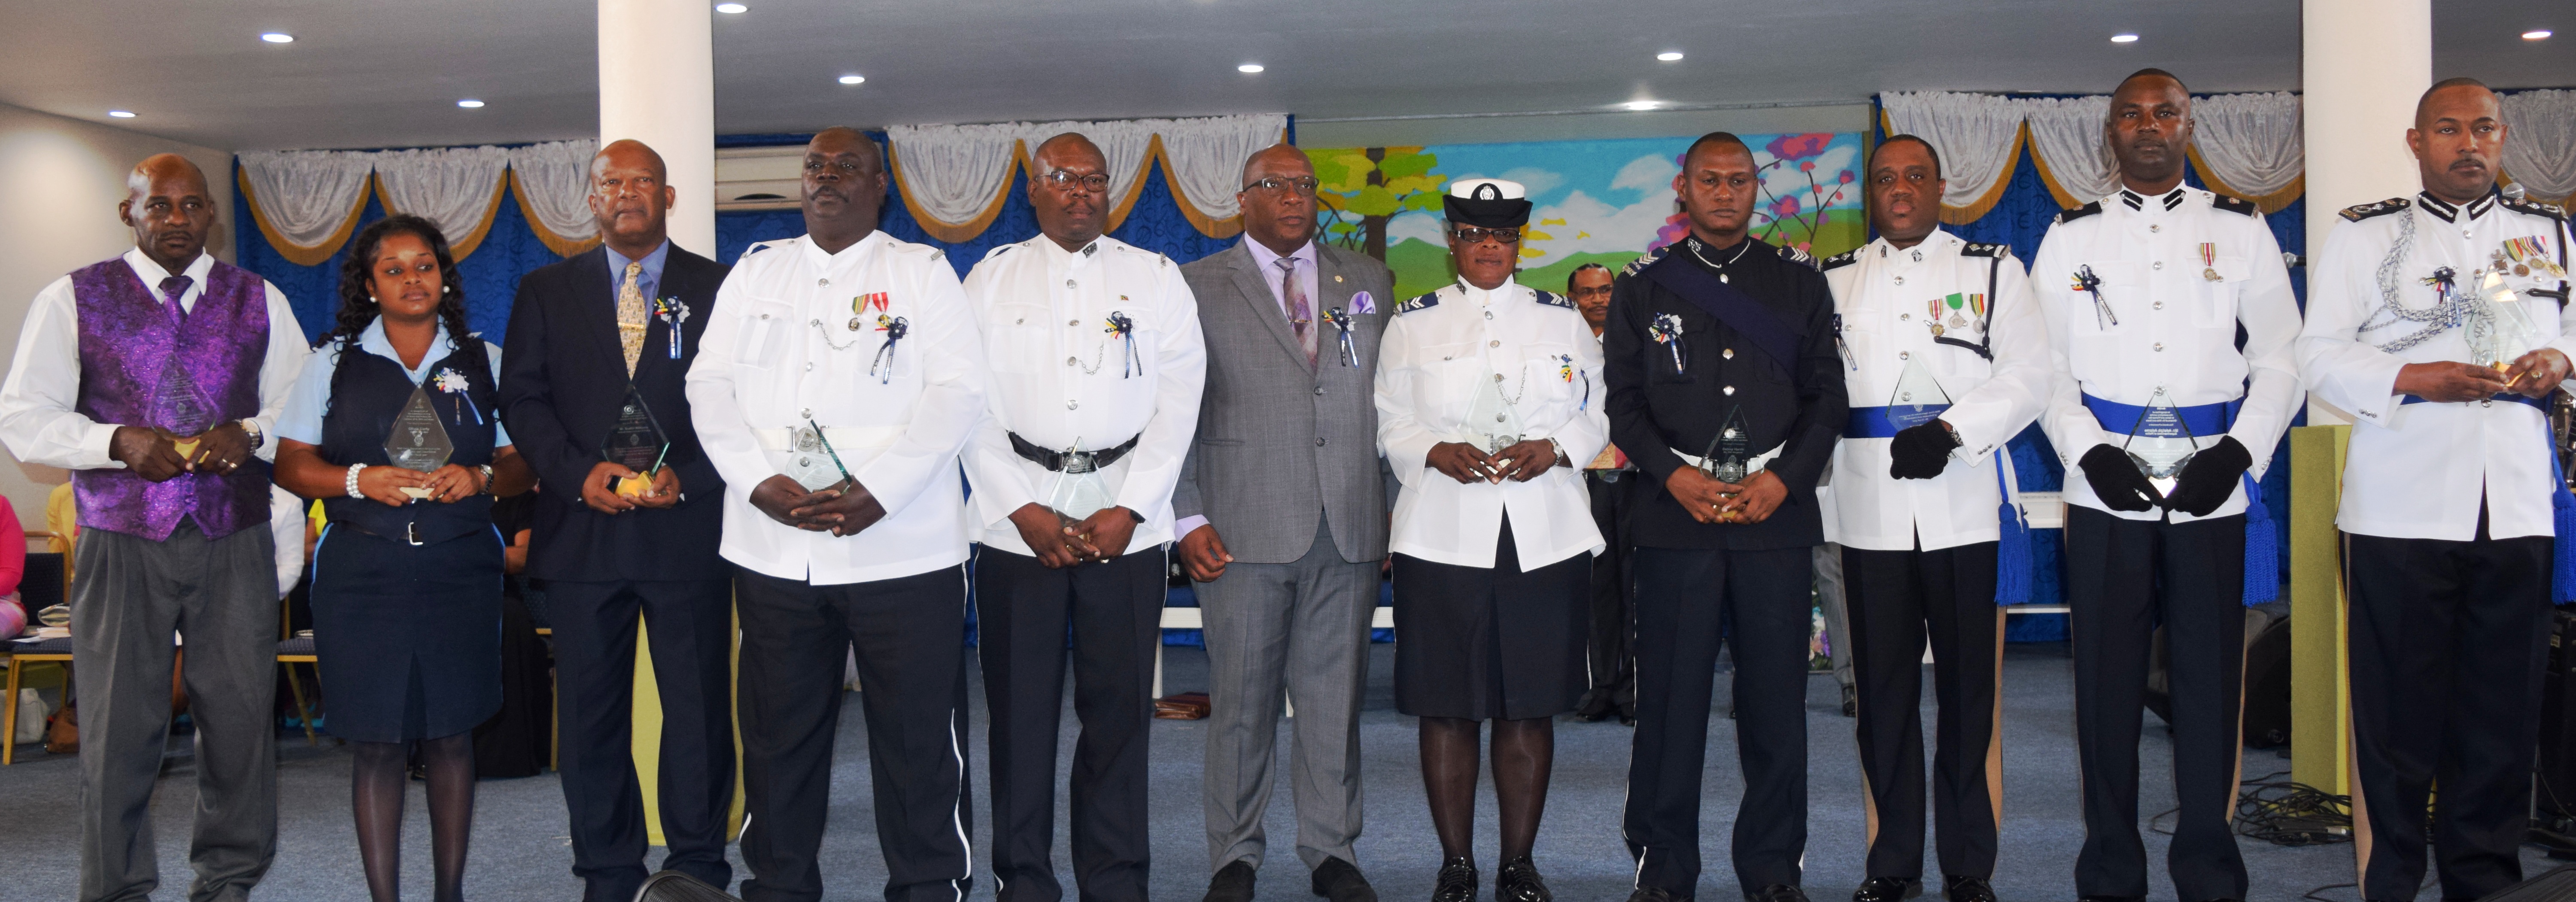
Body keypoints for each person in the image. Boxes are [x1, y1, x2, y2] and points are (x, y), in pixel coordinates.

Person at [685, 127, 984, 902]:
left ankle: (928, 888)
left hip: (904, 550)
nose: (827, 178)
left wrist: (881, 488)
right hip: (777, 552)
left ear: (879, 185)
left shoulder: (922, 273)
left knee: (919, 744)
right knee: (779, 740)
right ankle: (779, 889)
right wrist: (758, 482)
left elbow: (958, 392)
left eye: (847, 168)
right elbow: (708, 387)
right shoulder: (757, 274)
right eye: (816, 167)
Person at [0, 153, 308, 902]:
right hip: (121, 537)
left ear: (212, 216)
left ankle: (229, 879)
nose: (177, 220)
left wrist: (254, 432)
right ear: (128, 213)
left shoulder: (259, 296)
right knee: (117, 726)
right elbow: (23, 418)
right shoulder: (72, 298)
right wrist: (112, 442)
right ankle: (115, 887)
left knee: (238, 719)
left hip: (233, 534)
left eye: (192, 206)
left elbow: (302, 406)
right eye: (159, 206)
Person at [2299, 77, 2575, 902]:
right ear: (2417, 143)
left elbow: (2573, 337)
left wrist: (2561, 364)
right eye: (2449, 130)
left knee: (2500, 717)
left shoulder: (2550, 234)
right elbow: (2318, 355)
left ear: (2504, 137)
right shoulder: (2366, 236)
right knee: (2396, 722)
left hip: (2517, 505)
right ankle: (2390, 880)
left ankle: (2483, 883)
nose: (2470, 145)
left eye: (2484, 129)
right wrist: (2413, 376)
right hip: (2399, 509)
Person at [2029, 68, 2300, 902]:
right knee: (2105, 686)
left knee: (2210, 682)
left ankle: (2210, 864)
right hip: (2105, 488)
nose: (2149, 126)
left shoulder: (2244, 230)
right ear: (2109, 132)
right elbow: (2044, 368)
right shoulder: (2070, 240)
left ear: (2189, 127)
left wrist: (2242, 453)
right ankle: (2110, 865)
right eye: (2132, 115)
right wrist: (2087, 452)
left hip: (2211, 486)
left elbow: (2283, 357)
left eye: (2166, 113)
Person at [960, 132, 1207, 902]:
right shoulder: (991, 279)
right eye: (1063, 178)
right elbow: (965, 403)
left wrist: (1133, 506)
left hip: (1125, 523)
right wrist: (1022, 507)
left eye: (1095, 179)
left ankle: (1114, 878)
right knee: (1020, 717)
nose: (1081, 192)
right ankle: (1024, 879)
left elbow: (1180, 401)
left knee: (1120, 717)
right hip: (1015, 527)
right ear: (1032, 190)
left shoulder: (1156, 279)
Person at [1603, 132, 1847, 902]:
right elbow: (1624, 402)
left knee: (1776, 703)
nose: (1724, 192)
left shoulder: (1798, 284)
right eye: (1710, 180)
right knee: (1671, 705)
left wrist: (1787, 480)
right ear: (1685, 189)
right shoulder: (1644, 288)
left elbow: (1827, 396)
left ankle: (1774, 870)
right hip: (1678, 519)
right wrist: (1672, 476)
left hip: (1774, 516)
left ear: (1755, 189)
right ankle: (1664, 868)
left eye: (1739, 180)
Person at [270, 214, 535, 902]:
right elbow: (292, 465)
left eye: (425, 265)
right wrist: (360, 479)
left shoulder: (487, 359)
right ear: (370, 283)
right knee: (378, 743)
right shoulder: (331, 362)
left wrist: (481, 478)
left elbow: (523, 463)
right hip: (363, 575)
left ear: (444, 276)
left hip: (460, 571)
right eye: (394, 268)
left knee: (452, 737)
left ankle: (451, 893)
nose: (412, 279)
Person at [498, 137, 736, 902]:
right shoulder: (545, 289)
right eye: (611, 182)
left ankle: (696, 868)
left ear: (669, 197)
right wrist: (576, 474)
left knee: (696, 714)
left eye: (643, 182)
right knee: (592, 718)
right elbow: (523, 400)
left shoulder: (720, 286)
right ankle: (607, 871)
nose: (627, 192)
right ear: (591, 198)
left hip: (688, 530)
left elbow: (740, 403)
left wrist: (689, 479)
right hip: (581, 532)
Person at [1817, 135, 2050, 902]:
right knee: (1881, 696)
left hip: (1963, 505)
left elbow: (2030, 376)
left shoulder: (1993, 268)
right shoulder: (1834, 281)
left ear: (1941, 186)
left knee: (1966, 696)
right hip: (1870, 511)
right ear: (1870, 194)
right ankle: (1892, 862)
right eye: (1886, 179)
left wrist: (1952, 430)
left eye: (1915, 176)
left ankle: (1967, 864)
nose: (1901, 190)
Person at [1176, 143, 1397, 902]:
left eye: (1304, 186)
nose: (1295, 198)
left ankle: (1331, 849)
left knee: (1335, 702)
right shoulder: (1198, 286)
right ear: (1243, 199)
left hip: (1351, 525)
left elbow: (1392, 404)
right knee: (1242, 701)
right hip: (1241, 528)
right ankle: (1233, 855)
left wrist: (1396, 510)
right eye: (1276, 186)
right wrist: (1186, 514)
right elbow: (1173, 415)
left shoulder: (1366, 280)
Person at [1376, 179, 1606, 902]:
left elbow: (1599, 409)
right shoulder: (1413, 323)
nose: (1488, 247)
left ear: (1519, 243)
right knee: (1447, 704)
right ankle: (1456, 865)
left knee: (1527, 705)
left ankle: (1517, 863)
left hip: (1543, 534)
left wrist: (1561, 446)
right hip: (1442, 535)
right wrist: (1431, 449)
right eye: (1474, 234)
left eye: (1502, 236)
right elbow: (1387, 418)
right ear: (1452, 239)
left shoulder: (1562, 319)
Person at [1567, 262, 1640, 725]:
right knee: (1595, 587)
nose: (1598, 299)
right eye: (1587, 293)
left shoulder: (1638, 341)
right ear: (1572, 297)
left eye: (1606, 290)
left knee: (1636, 585)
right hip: (1582, 478)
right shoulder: (1562, 346)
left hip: (1636, 476)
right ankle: (1598, 688)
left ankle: (1634, 691)